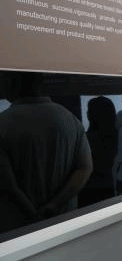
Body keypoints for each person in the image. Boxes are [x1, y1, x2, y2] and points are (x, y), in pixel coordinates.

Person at [0, 71, 93, 232]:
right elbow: (85, 168)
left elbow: (8, 184)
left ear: (10, 83)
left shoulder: (3, 123)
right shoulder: (70, 119)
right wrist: (53, 205)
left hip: (16, 229)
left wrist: (34, 214)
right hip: (65, 224)